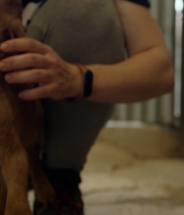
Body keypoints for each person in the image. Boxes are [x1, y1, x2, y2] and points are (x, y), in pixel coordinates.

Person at [0, 0, 174, 214]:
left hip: (36, 120)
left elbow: (161, 72)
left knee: (83, 8)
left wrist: (78, 79)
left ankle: (59, 182)